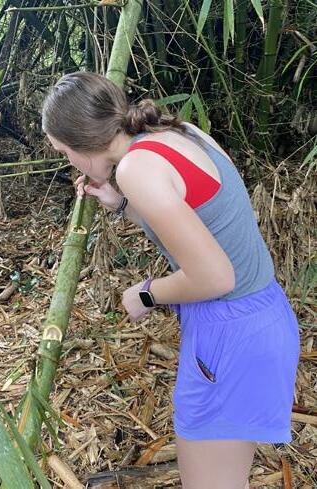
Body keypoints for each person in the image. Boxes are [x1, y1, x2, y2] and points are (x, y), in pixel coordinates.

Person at [41, 71, 301, 489]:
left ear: (80, 142)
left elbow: (215, 276)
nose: (66, 159)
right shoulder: (178, 133)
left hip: (229, 333)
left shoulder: (137, 168)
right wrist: (119, 203)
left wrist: (146, 294)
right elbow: (200, 221)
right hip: (262, 316)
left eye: (62, 150)